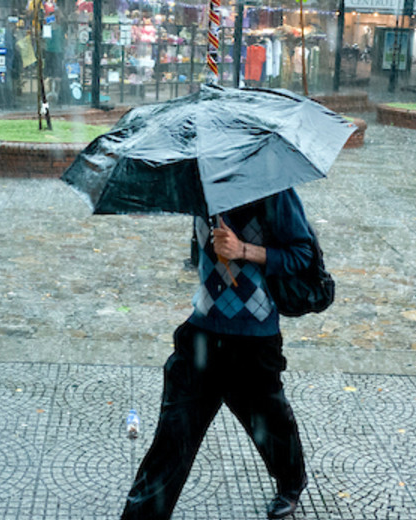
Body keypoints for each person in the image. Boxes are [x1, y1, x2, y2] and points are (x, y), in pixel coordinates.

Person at [121, 188, 313, 520]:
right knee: (173, 439)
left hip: (254, 342)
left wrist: (245, 250)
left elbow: (302, 254)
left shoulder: (273, 191)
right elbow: (202, 259)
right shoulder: (200, 187)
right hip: (201, 339)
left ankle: (291, 481)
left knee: (270, 425)